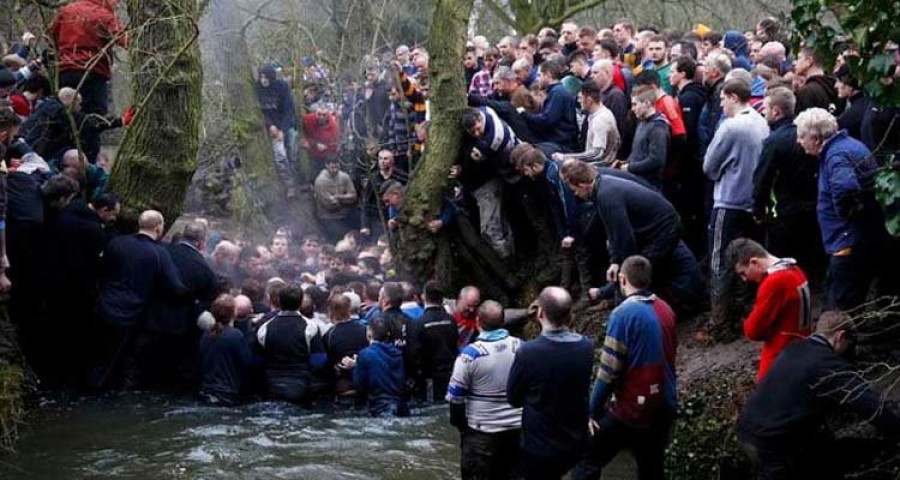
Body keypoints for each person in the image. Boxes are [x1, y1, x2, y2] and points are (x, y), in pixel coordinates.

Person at [738, 311, 900, 479]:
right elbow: (871, 406)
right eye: (849, 345)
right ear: (841, 336)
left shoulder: (793, 350)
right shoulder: (829, 366)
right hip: (777, 445)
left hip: (748, 431)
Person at [575, 256, 677, 480]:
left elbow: (608, 369)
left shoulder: (623, 314)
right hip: (665, 403)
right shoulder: (665, 308)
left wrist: (592, 410)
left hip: (634, 407)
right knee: (651, 466)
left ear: (622, 279)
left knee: (589, 458)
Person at [561, 159, 705, 316]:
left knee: (639, 270)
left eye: (574, 190)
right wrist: (615, 261)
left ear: (582, 185)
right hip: (655, 226)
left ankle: (641, 311)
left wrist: (614, 280)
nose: (576, 195)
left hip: (664, 230)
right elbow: (612, 232)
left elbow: (625, 242)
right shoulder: (602, 187)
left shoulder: (606, 196)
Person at [795, 108, 898, 309]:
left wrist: (845, 217)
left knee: (839, 303)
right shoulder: (849, 146)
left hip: (847, 242)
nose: (799, 141)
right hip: (860, 237)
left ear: (816, 138)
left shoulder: (836, 156)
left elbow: (846, 188)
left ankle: (840, 337)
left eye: (801, 136)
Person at [703, 78, 770, 334]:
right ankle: (743, 310)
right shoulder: (761, 121)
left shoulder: (731, 127)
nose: (720, 104)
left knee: (720, 260)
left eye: (722, 99)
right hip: (752, 202)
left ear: (732, 97)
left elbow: (709, 166)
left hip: (728, 201)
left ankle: (718, 321)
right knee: (747, 259)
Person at [507, 287, 594, 480]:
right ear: (570, 314)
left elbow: (513, 398)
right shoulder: (586, 347)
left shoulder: (528, 352)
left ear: (540, 313)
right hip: (574, 440)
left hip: (539, 444)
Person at [95, 210, 187, 389]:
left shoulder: (117, 242)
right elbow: (176, 287)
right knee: (115, 363)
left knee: (97, 356)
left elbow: (102, 268)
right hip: (130, 315)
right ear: (159, 227)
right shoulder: (159, 253)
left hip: (104, 306)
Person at [447, 298, 523, 480]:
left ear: (478, 322)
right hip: (518, 432)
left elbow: (455, 400)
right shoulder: (522, 347)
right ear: (503, 322)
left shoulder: (470, 355)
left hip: (482, 435)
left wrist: (463, 428)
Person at [752, 87, 824, 278]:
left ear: (776, 111)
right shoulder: (809, 137)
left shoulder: (775, 141)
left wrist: (757, 210)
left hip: (782, 213)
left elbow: (762, 179)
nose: (763, 111)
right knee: (807, 264)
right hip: (811, 209)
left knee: (781, 265)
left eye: (766, 108)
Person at [141, 220, 219, 388]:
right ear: (201, 243)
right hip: (181, 326)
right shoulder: (204, 268)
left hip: (148, 318)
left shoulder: (161, 251)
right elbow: (209, 300)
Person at [50, 0, 128, 162]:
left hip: (66, 70)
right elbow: (125, 40)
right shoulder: (103, 15)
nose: (116, 6)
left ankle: (65, 161)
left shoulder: (65, 11)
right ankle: (88, 162)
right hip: (93, 72)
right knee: (93, 120)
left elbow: (50, 35)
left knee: (66, 118)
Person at [726, 238, 811, 382]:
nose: (744, 279)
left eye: (743, 273)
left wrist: (748, 321)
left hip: (780, 357)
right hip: (801, 350)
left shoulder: (774, 282)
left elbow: (753, 330)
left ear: (754, 262)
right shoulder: (795, 270)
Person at [255, 284, 327, 404]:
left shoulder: (265, 327)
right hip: (300, 385)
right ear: (300, 303)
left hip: (271, 385)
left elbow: (257, 361)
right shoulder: (311, 327)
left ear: (280, 302)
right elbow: (318, 360)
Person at [199, 294, 252, 406]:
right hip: (227, 395)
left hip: (206, 393)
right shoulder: (236, 335)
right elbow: (247, 364)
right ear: (234, 313)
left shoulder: (205, 335)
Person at [351, 317, 410, 417]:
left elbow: (359, 385)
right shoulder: (398, 353)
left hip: (380, 408)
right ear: (388, 334)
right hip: (402, 406)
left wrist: (356, 366)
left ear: (369, 334)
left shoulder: (365, 354)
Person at [410, 281, 458, 403]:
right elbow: (455, 345)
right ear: (442, 298)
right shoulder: (451, 320)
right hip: (451, 376)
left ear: (423, 297)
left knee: (432, 407)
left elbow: (415, 355)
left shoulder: (418, 323)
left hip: (430, 379)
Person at [553, 80, 619, 165]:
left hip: (600, 167)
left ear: (589, 100)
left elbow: (596, 153)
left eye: (580, 98)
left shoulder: (600, 120)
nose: (579, 101)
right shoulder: (601, 113)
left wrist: (565, 157)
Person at [618, 85, 669, 189]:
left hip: (649, 184)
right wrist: (626, 162)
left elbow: (657, 160)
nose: (632, 109)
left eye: (635, 104)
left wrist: (630, 167)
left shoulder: (658, 127)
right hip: (637, 179)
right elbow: (638, 151)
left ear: (647, 103)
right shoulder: (641, 121)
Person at [523, 60, 579, 151]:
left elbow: (547, 119)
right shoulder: (556, 91)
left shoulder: (557, 92)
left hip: (560, 144)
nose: (537, 79)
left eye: (539, 75)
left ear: (548, 75)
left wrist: (524, 115)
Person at [322, 293, 368, 398]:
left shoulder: (329, 335)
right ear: (349, 309)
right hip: (363, 379)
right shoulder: (364, 329)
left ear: (331, 312)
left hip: (342, 384)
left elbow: (327, 364)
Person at [256, 63, 298, 167]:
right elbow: (262, 111)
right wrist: (270, 125)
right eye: (261, 77)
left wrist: (283, 130)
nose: (263, 80)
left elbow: (289, 110)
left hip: (286, 124)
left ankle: (296, 172)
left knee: (292, 151)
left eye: (266, 77)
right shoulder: (258, 88)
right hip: (272, 126)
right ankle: (287, 178)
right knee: (280, 157)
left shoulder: (282, 86)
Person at [313, 157, 358, 242]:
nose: (335, 170)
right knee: (337, 238)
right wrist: (346, 199)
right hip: (328, 217)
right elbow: (329, 205)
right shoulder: (320, 181)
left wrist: (338, 197)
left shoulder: (344, 177)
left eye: (337, 167)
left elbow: (353, 196)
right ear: (327, 165)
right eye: (332, 167)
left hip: (345, 215)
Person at [794, 47, 839, 114]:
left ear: (809, 61)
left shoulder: (806, 92)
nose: (794, 63)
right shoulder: (835, 87)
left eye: (799, 58)